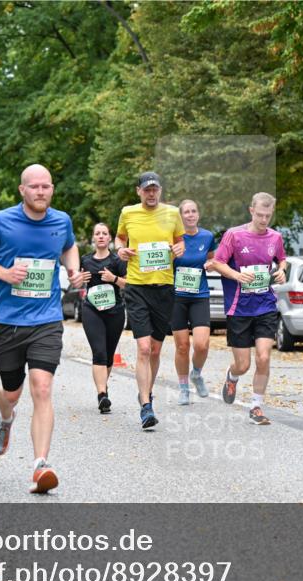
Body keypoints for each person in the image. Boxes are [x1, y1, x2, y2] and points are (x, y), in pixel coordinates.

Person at [0, 164, 83, 494]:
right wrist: (3, 274)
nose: (41, 192)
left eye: (46, 186)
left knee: (42, 388)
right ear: (22, 190)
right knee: (12, 394)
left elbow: (69, 246)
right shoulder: (1, 221)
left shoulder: (61, 221)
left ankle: (40, 465)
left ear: (52, 189)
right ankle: (6, 419)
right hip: (8, 323)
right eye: (34, 187)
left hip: (46, 320)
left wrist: (72, 268)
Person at [209, 192, 287, 425]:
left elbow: (281, 259)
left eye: (268, 216)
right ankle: (232, 377)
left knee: (263, 357)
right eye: (260, 215)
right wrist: (237, 275)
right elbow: (217, 263)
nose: (264, 220)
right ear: (251, 210)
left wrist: (282, 270)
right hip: (239, 308)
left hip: (265, 305)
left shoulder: (275, 237)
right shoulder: (234, 235)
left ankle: (256, 406)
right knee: (243, 364)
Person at [114, 171, 185, 430]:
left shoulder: (172, 213)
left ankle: (147, 392)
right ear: (139, 191)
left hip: (164, 287)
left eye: (155, 189)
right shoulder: (128, 213)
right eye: (147, 189)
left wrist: (180, 248)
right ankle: (146, 405)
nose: (151, 193)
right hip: (136, 286)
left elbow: (179, 242)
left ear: (160, 191)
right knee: (143, 348)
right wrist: (120, 249)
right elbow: (120, 238)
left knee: (155, 349)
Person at [170, 199, 217, 405]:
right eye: (186, 212)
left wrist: (211, 264)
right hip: (177, 297)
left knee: (202, 344)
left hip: (199, 296)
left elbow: (213, 259)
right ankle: (183, 388)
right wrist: (170, 255)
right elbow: (163, 265)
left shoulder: (207, 236)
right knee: (182, 346)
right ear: (180, 216)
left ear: (198, 214)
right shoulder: (173, 238)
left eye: (193, 211)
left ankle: (196, 374)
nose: (190, 215)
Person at [79, 222, 128, 413]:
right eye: (97, 233)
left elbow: (130, 284)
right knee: (98, 352)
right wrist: (79, 279)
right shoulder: (85, 260)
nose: (100, 236)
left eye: (104, 233)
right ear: (93, 237)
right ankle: (102, 395)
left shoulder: (117, 261)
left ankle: (103, 388)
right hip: (92, 310)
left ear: (109, 238)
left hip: (115, 311)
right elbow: (76, 279)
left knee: (108, 355)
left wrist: (114, 279)